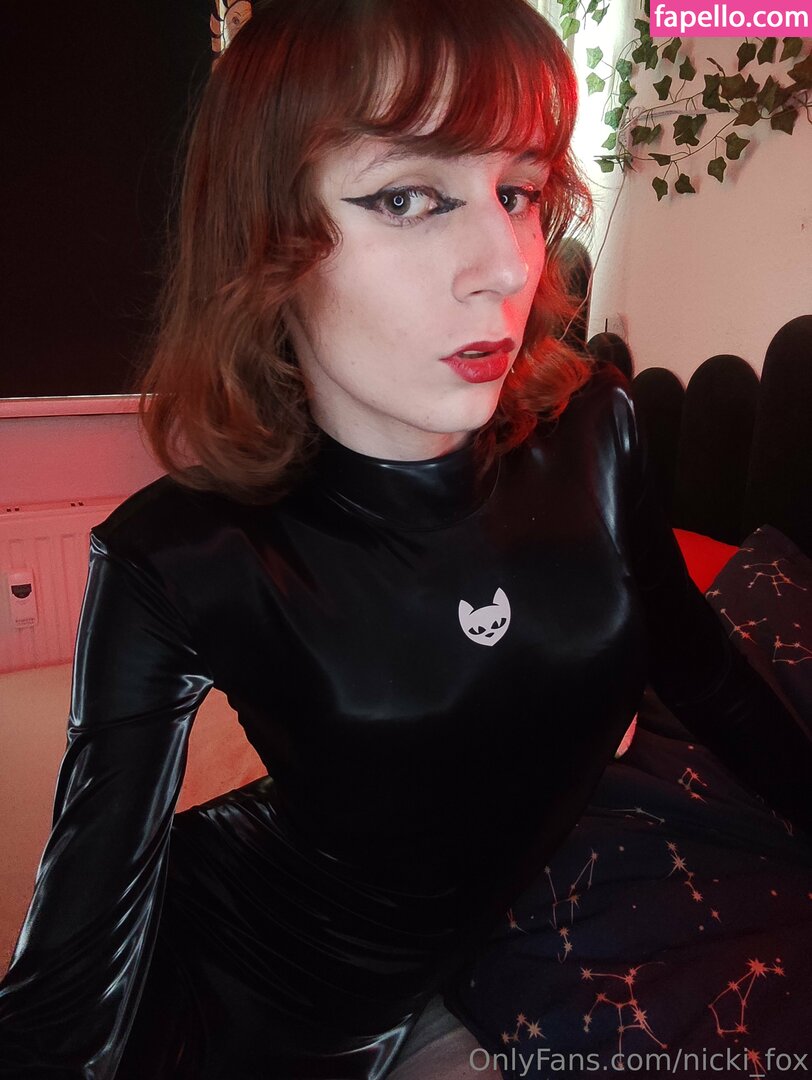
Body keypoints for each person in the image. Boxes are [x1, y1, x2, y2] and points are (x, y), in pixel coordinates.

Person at [1, 0, 811, 1076]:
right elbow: (71, 972)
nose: (506, 265)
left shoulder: (596, 431)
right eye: (407, 196)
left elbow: (702, 672)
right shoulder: (181, 558)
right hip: (255, 999)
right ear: (265, 242)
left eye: (517, 192)